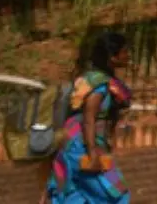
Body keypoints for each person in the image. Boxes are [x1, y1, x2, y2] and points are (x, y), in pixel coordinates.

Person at [45, 32, 133, 204]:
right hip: (81, 144)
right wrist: (92, 152)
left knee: (75, 197)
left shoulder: (92, 78)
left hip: (72, 143)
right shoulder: (98, 85)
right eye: (124, 51)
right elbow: (89, 118)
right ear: (112, 57)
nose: (127, 55)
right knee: (116, 195)